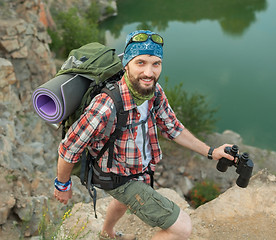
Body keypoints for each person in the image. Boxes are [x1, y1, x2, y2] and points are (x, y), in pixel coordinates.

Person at [54, 30, 235, 240]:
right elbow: (69, 148)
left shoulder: (154, 92)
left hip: (136, 168)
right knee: (182, 228)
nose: (149, 72)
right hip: (116, 176)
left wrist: (211, 152)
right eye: (140, 62)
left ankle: (107, 233)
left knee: (123, 201)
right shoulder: (106, 104)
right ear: (127, 64)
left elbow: (173, 128)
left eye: (155, 63)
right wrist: (62, 185)